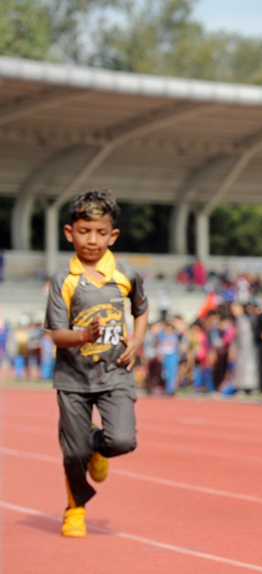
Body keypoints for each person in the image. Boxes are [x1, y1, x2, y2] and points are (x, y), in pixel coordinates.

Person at [43, 189, 148, 537]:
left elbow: (141, 310)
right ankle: (75, 509)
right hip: (73, 377)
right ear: (70, 232)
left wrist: (136, 340)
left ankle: (97, 447)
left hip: (115, 372)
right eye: (84, 231)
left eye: (100, 232)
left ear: (112, 235)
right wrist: (84, 336)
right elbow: (57, 335)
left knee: (121, 441)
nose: (92, 240)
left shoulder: (126, 275)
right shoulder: (64, 280)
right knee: (73, 453)